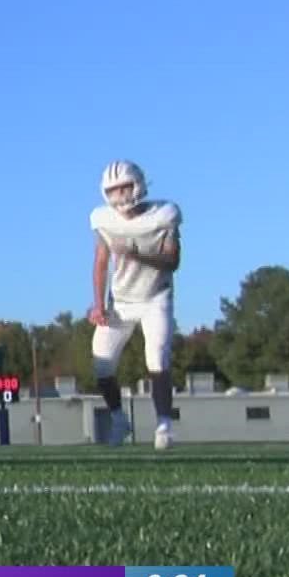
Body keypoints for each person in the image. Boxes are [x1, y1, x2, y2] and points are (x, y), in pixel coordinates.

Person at [88, 160, 183, 450]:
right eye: (114, 191)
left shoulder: (164, 214)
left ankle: (164, 425)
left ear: (138, 184)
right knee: (101, 364)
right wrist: (98, 304)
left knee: (157, 358)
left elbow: (173, 261)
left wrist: (135, 254)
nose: (121, 196)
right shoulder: (104, 219)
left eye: (125, 188)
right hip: (122, 301)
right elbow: (101, 261)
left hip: (155, 296)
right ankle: (119, 419)